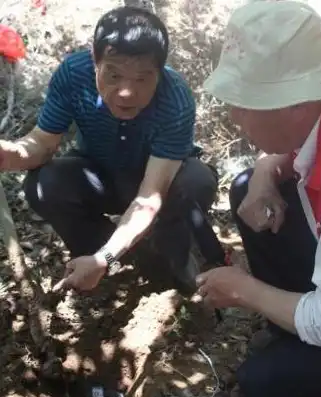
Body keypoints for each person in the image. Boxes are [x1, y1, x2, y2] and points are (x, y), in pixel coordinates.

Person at [196, 1, 321, 397]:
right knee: (247, 184)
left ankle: (310, 356)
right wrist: (263, 177)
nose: (235, 116)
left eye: (245, 104)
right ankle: (291, 332)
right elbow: (286, 153)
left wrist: (244, 291)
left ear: (296, 104)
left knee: (265, 383)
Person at [0, 6, 218, 293]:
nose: (127, 92)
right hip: (99, 175)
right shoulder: (73, 75)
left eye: (142, 79)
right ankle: (109, 258)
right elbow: (43, 143)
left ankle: (171, 257)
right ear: (95, 60)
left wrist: (106, 255)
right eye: (113, 76)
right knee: (44, 185)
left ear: (160, 71)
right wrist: (8, 155)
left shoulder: (174, 98)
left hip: (157, 179)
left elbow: (150, 196)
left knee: (196, 182)